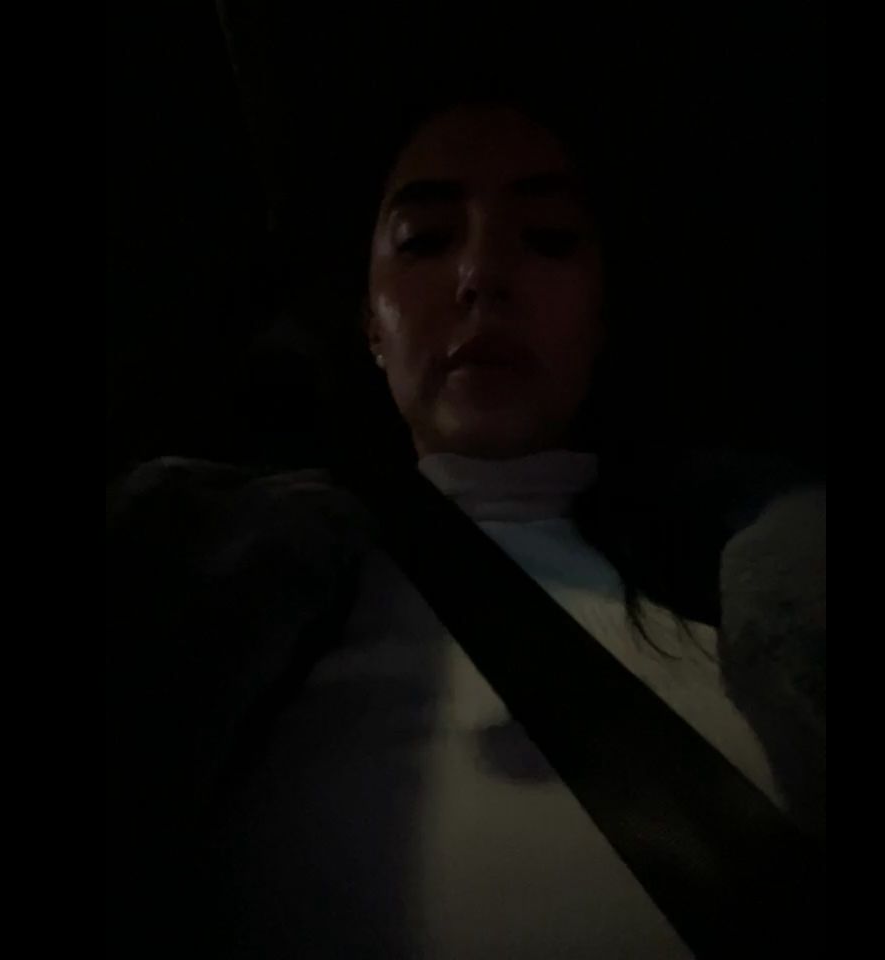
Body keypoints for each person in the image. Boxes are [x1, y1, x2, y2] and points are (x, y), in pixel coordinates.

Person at [109, 97, 825, 958]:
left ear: (601, 315)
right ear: (372, 326)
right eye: (424, 240)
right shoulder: (208, 573)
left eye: (548, 237)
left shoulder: (769, 558)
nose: (483, 273)